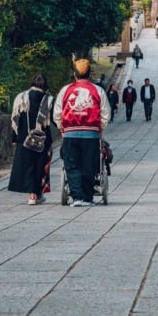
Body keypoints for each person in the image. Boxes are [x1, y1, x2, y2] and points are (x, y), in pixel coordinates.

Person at [53, 58, 110, 207]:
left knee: (71, 165)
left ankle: (76, 197)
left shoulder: (65, 91)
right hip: (91, 134)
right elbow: (105, 114)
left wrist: (62, 128)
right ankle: (87, 197)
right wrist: (100, 129)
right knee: (89, 165)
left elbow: (57, 113)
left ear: (74, 74)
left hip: (70, 133)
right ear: (90, 74)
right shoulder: (98, 91)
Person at [8, 73, 54, 204]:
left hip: (24, 137)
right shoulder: (48, 99)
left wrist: (14, 137)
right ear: (45, 86)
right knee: (40, 165)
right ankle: (38, 194)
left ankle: (32, 195)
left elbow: (15, 118)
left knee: (28, 165)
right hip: (42, 137)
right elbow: (52, 120)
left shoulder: (21, 97)